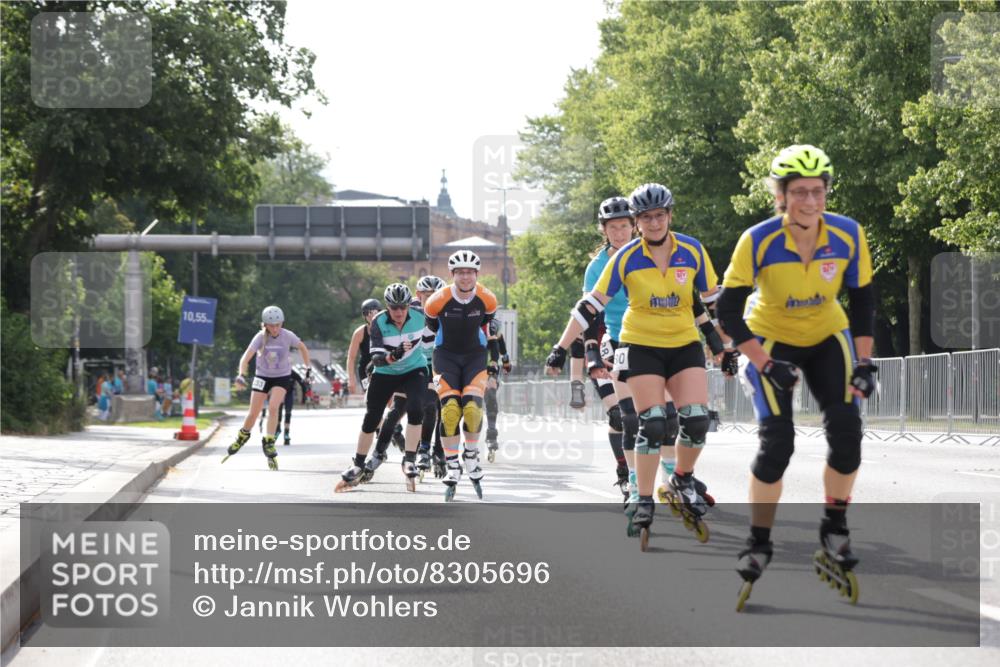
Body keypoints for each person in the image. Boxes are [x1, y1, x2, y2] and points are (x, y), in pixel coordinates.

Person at [716, 145, 876, 607]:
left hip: (828, 335)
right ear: (781, 195)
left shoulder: (847, 234)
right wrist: (764, 364)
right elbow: (728, 309)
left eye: (818, 190)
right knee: (777, 442)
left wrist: (864, 362)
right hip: (770, 340)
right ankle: (759, 542)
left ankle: (835, 527)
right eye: (799, 191)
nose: (810, 200)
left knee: (847, 433)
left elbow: (863, 302)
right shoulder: (759, 239)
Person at [546, 183, 723, 548]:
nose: (654, 223)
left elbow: (711, 300)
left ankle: (682, 478)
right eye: (646, 218)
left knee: (695, 419)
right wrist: (562, 348)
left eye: (660, 215)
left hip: (683, 342)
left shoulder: (691, 250)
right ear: (638, 222)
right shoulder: (624, 258)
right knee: (651, 421)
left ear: (670, 216)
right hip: (638, 344)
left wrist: (727, 344)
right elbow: (589, 306)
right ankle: (642, 497)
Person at [337, 283, 428, 492]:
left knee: (416, 408)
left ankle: (410, 459)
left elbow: (445, 326)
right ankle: (358, 464)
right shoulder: (378, 322)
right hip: (386, 372)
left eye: (402, 307)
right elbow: (376, 359)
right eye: (394, 308)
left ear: (408, 306)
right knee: (372, 417)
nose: (398, 312)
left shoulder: (421, 316)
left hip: (414, 369)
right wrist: (393, 354)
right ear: (387, 307)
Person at [423, 250, 498, 501]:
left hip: (475, 356)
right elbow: (433, 327)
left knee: (473, 408)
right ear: (452, 274)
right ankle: (452, 463)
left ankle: (472, 455)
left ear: (477, 274)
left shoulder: (488, 299)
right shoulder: (436, 300)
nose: (465, 277)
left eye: (470, 272)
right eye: (460, 272)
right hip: (445, 357)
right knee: (451, 410)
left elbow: (486, 325)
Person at [222, 305, 311, 471]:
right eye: (272, 325)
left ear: (282, 323)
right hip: (262, 376)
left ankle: (269, 441)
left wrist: (308, 368)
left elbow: (303, 347)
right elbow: (245, 358)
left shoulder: (287, 335)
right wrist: (241, 374)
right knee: (253, 413)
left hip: (282, 376)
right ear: (265, 325)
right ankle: (243, 436)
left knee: (273, 407)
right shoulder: (260, 338)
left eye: (278, 324)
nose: (275, 328)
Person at [413, 274, 448, 478]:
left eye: (436, 295)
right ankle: (423, 448)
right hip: (421, 367)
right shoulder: (412, 314)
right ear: (419, 295)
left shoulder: (448, 313)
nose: (432, 299)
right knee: (429, 407)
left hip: (443, 366)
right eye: (428, 295)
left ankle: (439, 451)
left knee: (447, 410)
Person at [483, 318, 512, 463]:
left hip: (488, 363)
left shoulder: (493, 324)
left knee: (490, 393)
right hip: (469, 360)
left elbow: (499, 344)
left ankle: (492, 433)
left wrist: (505, 362)